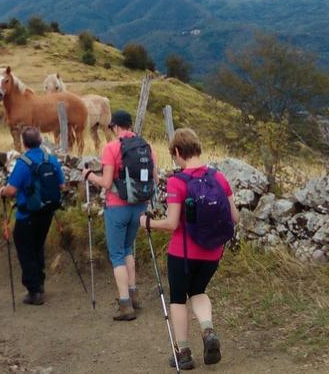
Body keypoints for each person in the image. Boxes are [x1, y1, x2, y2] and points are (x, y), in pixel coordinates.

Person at [141, 128, 239, 369]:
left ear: (177, 152)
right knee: (198, 290)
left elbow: (173, 223)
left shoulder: (178, 182)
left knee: (177, 298)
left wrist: (148, 223)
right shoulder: (219, 177)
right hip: (213, 252)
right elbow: (234, 217)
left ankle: (183, 353)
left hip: (183, 253)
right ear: (197, 148)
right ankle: (207, 332)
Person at [84, 109, 156, 321]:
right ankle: (134, 295)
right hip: (139, 207)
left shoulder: (111, 147)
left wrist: (89, 176)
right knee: (128, 249)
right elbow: (155, 177)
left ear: (115, 126)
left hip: (117, 207)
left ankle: (125, 305)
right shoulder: (146, 147)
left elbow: (106, 183)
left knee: (117, 255)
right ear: (131, 125)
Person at [0, 126, 65, 305]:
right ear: (40, 141)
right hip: (47, 212)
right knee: (37, 247)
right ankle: (39, 284)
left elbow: (11, 190)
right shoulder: (51, 159)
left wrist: (2, 191)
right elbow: (61, 185)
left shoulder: (23, 163)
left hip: (27, 214)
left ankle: (34, 291)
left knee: (26, 250)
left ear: (24, 143)